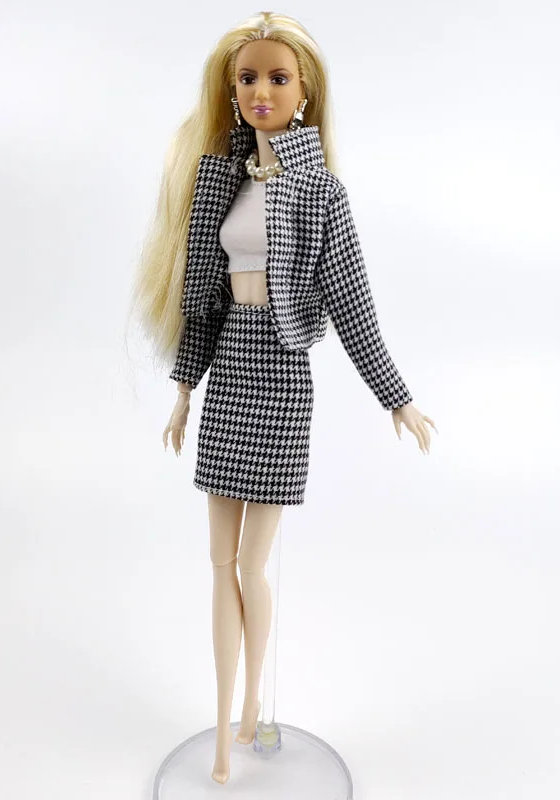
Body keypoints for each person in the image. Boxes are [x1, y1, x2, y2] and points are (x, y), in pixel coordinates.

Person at [130, 11, 437, 784]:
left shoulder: (322, 192)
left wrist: (396, 398)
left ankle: (250, 709)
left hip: (281, 376)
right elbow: (203, 302)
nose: (260, 91)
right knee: (217, 562)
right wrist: (183, 389)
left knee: (251, 566)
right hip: (230, 372)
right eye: (247, 78)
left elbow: (353, 303)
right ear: (230, 91)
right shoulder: (220, 181)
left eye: (277, 78)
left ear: (304, 94)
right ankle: (225, 732)